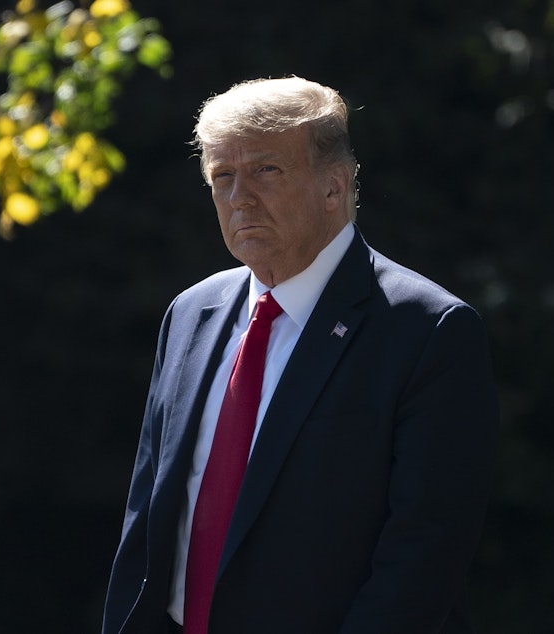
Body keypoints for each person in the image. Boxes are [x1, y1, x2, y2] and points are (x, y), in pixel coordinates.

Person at [102, 76, 499, 633]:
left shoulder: (428, 330)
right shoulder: (191, 313)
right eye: (222, 176)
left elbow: (422, 558)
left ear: (334, 186)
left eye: (266, 170)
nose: (239, 197)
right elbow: (147, 517)